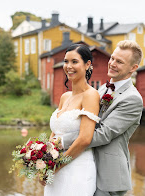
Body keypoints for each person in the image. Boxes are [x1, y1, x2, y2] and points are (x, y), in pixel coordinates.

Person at [62, 40, 143, 196]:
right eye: (112, 58)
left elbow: (104, 134)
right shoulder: (102, 89)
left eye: (119, 61)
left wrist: (62, 141)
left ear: (133, 68)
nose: (112, 63)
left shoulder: (132, 99)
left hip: (108, 176)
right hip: (85, 166)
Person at [44, 44, 100, 196]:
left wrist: (57, 166)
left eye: (74, 62)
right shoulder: (65, 96)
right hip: (55, 169)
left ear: (87, 64)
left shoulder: (91, 95)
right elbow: (55, 133)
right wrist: (45, 161)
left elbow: (85, 139)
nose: (68, 66)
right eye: (66, 61)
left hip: (77, 169)